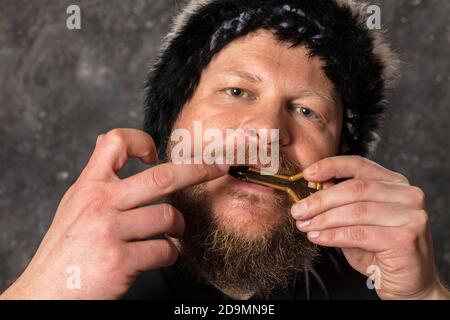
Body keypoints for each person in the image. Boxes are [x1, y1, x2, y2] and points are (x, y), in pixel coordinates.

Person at [1, 0, 449, 300]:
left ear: (340, 159)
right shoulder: (76, 284)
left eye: (308, 111)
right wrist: (41, 290)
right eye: (236, 91)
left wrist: (426, 295)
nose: (267, 132)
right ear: (172, 125)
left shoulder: (389, 288)